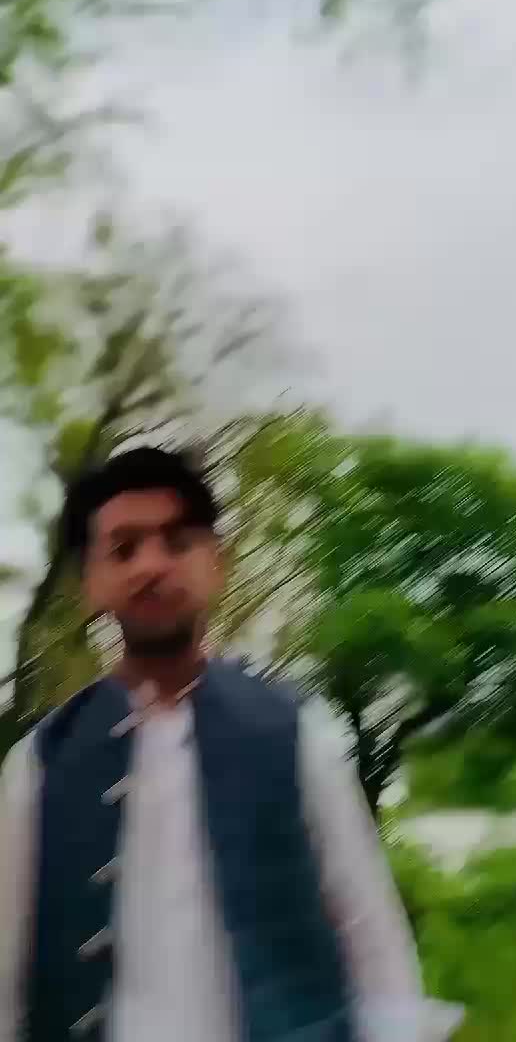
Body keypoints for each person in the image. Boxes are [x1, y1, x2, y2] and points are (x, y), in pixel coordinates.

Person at [0, 446, 462, 1042]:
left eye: (177, 542)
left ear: (215, 563)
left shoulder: (297, 730)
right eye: (124, 548)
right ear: (92, 583)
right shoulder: (39, 763)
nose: (151, 565)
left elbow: (370, 932)